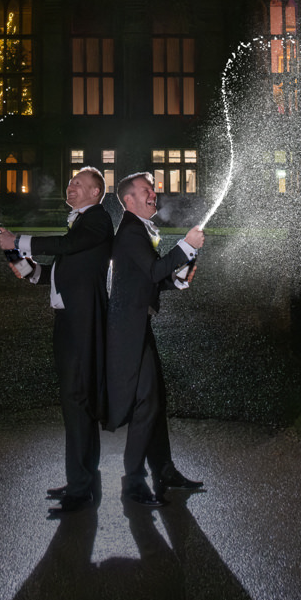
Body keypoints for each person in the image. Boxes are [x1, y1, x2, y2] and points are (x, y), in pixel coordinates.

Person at [0, 166, 113, 514]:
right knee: (77, 405)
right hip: (69, 323)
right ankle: (81, 480)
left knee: (77, 403)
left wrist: (18, 240)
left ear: (95, 193)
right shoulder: (80, 225)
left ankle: (80, 489)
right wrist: (24, 265)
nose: (71, 186)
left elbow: (67, 245)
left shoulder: (98, 220)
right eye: (70, 181)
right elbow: (57, 271)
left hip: (80, 325)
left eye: (79, 183)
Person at [106, 171, 205, 507]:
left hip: (136, 328)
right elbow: (152, 271)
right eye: (146, 191)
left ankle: (163, 470)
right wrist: (186, 246)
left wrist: (176, 278)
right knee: (147, 403)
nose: (154, 195)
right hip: (126, 331)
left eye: (153, 190)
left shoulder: (138, 231)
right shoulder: (131, 231)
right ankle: (133, 482)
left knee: (154, 400)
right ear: (129, 199)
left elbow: (149, 279)